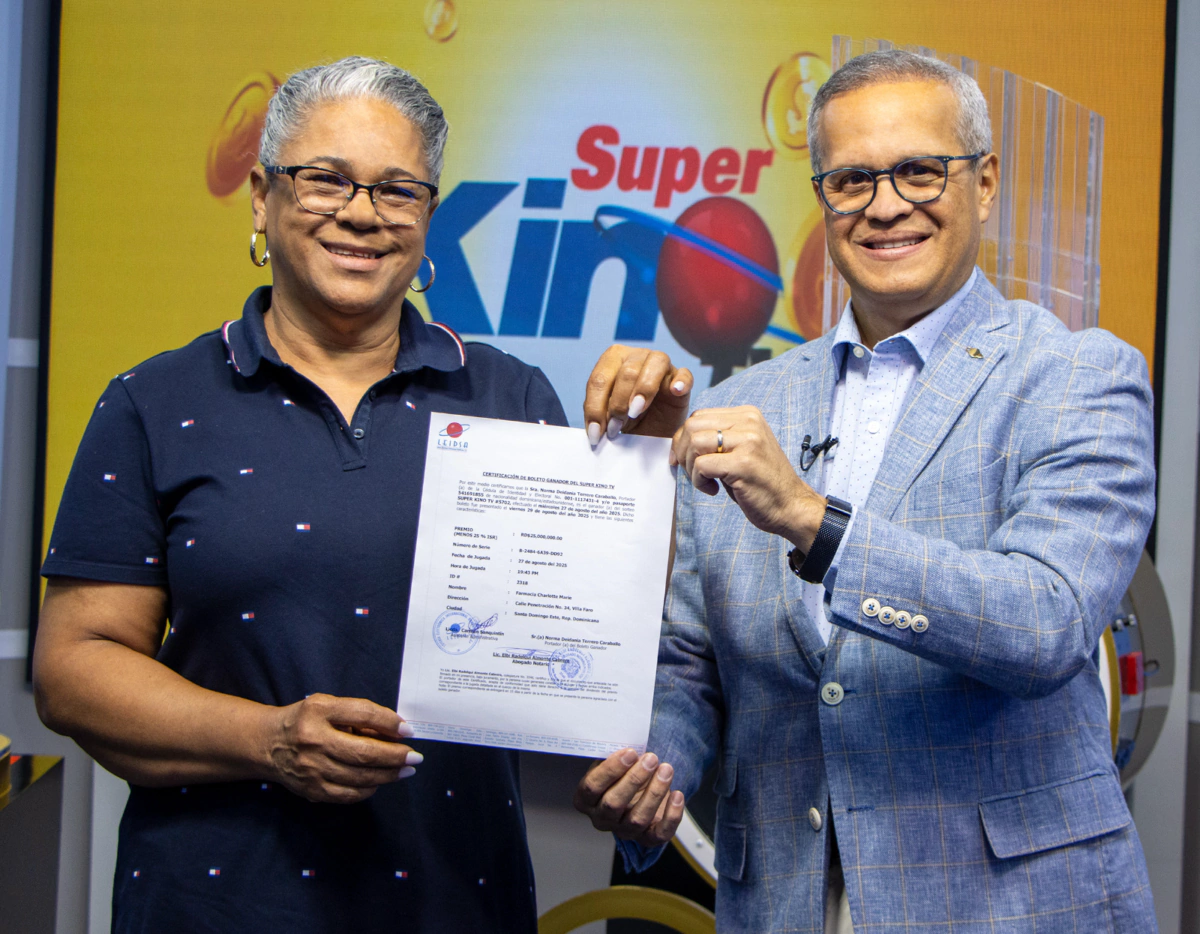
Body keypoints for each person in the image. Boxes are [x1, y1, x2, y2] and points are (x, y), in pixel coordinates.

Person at [573, 50, 1157, 933]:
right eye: (852, 180)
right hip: (785, 900)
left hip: (1008, 906)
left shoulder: (1079, 376)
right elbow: (691, 663)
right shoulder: (742, 404)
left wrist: (815, 521)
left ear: (984, 184)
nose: (885, 206)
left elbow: (1047, 622)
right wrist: (656, 771)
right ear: (824, 199)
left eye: (920, 170)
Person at [33, 57, 565, 933]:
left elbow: (585, 637)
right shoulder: (154, 404)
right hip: (215, 902)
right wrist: (268, 740)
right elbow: (71, 670)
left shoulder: (511, 398)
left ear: (429, 216)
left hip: (455, 899)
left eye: (397, 189)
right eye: (326, 179)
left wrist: (645, 452)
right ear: (261, 198)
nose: (361, 212)